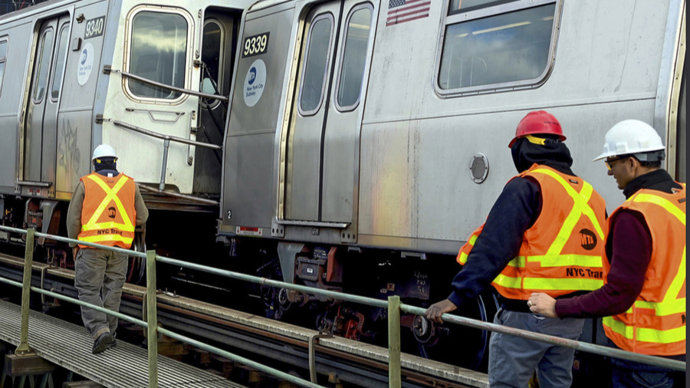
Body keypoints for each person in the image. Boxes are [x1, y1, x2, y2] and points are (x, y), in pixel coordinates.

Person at [426, 111, 608, 388]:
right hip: (569, 316)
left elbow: (494, 247)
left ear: (523, 147)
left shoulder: (528, 185)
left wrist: (455, 298)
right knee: (557, 384)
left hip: (526, 316)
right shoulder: (590, 194)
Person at [528, 119, 685, 388]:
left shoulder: (636, 215)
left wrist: (557, 307)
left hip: (645, 356)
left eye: (611, 163)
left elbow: (619, 294)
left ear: (632, 163)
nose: (610, 172)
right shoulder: (681, 196)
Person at [67, 144, 149, 354]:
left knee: (88, 289)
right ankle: (110, 334)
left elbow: (73, 219)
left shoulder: (86, 183)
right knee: (113, 292)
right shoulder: (130, 185)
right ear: (115, 161)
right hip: (120, 249)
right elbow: (142, 216)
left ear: (95, 163)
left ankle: (100, 330)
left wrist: (73, 244)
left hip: (92, 248)